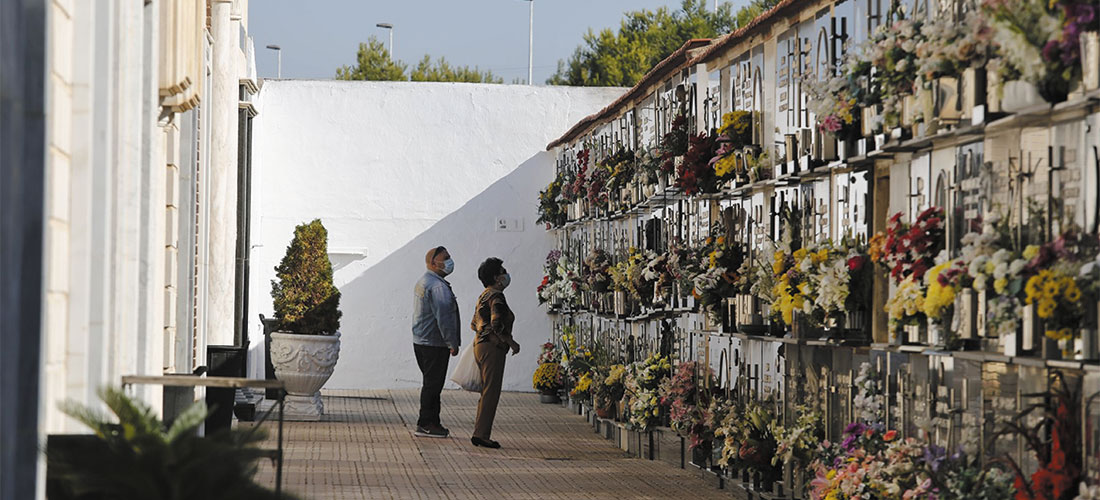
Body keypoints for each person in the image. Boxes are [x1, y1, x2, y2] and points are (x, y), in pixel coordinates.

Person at [469, 257, 520, 449]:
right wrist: (511, 342)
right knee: (491, 391)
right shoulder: (496, 297)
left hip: (481, 345)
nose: (506, 275)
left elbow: (474, 323)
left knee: (487, 390)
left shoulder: (484, 295)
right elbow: (497, 323)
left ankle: (481, 432)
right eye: (503, 272)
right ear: (497, 277)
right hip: (492, 347)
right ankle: (481, 434)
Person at [411, 246, 461, 438]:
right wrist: (452, 343)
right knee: (433, 384)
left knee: (431, 383)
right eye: (445, 258)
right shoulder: (437, 286)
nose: (449, 261)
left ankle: (433, 422)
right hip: (434, 343)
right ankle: (426, 423)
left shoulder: (424, 281)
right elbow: (444, 318)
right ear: (433, 263)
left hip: (422, 341)